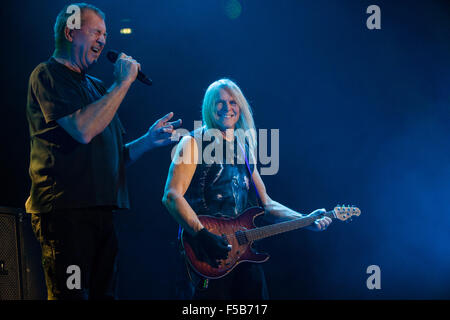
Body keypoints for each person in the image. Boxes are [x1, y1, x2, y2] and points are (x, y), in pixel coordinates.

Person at [26, 3, 181, 300]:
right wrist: (122, 83)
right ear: (71, 32)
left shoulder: (96, 86)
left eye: (105, 34)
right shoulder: (47, 75)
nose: (104, 39)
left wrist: (147, 141)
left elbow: (113, 157)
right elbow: (83, 130)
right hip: (65, 214)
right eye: (96, 31)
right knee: (71, 296)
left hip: (101, 213)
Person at [162, 78, 332, 299]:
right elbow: (171, 195)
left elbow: (267, 204)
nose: (227, 108)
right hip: (205, 254)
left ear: (240, 108)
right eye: (220, 102)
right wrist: (202, 234)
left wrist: (305, 219)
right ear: (209, 107)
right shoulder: (192, 142)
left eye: (233, 102)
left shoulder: (244, 149)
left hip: (242, 254)